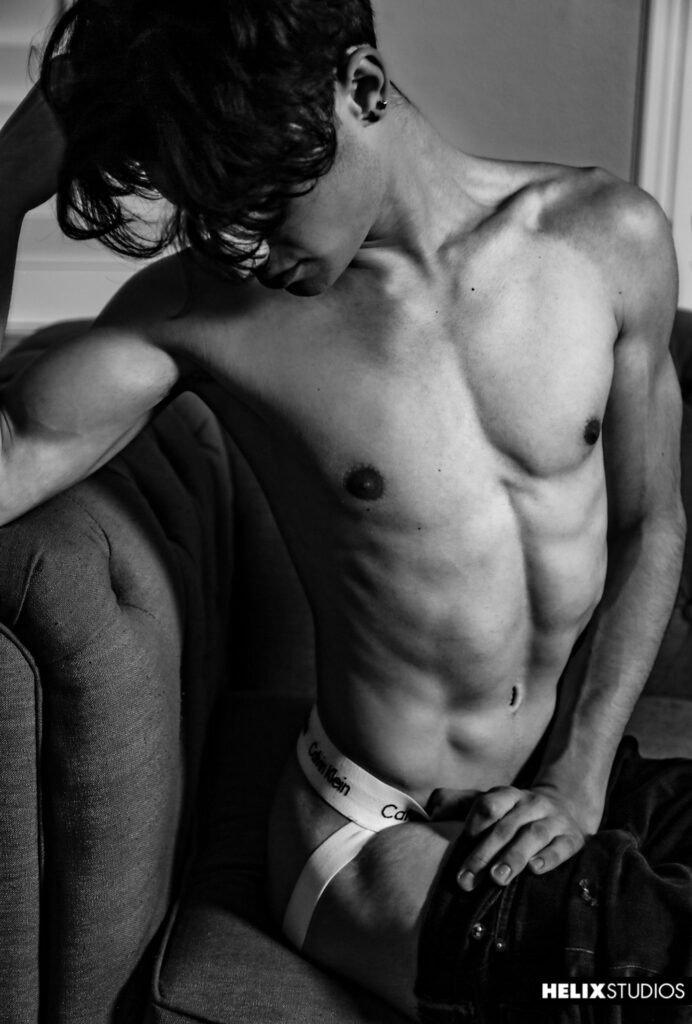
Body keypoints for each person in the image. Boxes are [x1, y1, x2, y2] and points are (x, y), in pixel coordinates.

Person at [0, 0, 686, 1019]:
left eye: (256, 198)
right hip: (373, 830)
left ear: (360, 89)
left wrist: (577, 777)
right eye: (205, 207)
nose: (237, 244)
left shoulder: (607, 239)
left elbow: (648, 524)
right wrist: (7, 180)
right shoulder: (204, 313)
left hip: (567, 791)